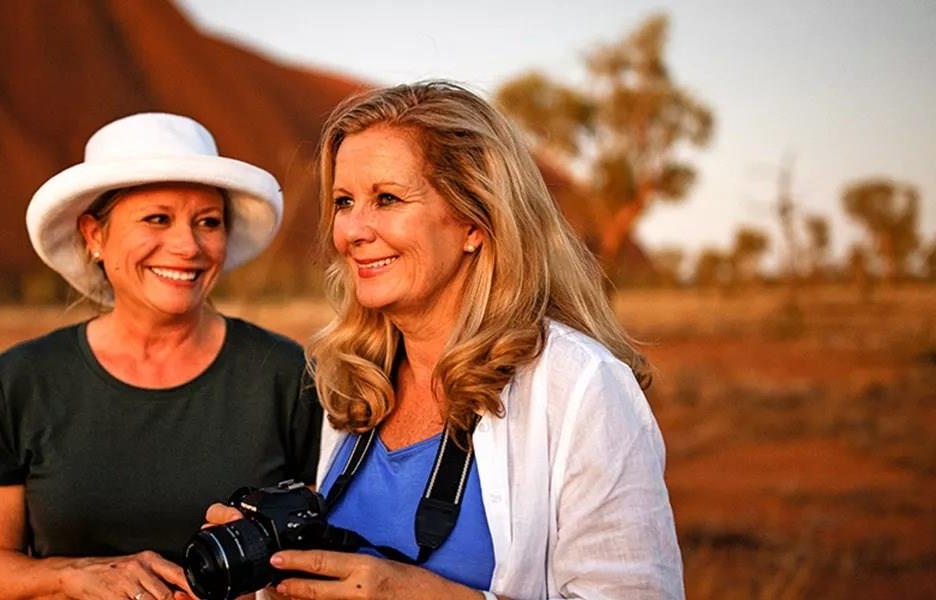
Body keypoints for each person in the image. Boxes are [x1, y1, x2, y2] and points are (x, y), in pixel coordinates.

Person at [209, 81, 683, 599]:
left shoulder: (578, 384)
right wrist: (268, 573)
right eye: (344, 202)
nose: (352, 231)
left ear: (475, 222)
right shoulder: (356, 381)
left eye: (387, 199)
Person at [0, 113, 322, 600]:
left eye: (208, 222)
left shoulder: (282, 372)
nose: (187, 246)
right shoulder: (23, 378)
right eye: (157, 218)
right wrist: (75, 576)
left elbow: (326, 544)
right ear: (94, 236)